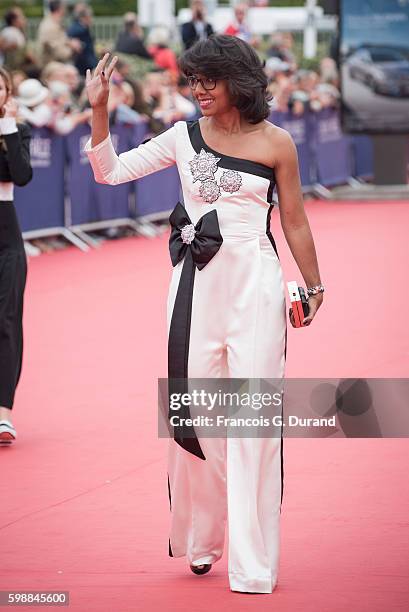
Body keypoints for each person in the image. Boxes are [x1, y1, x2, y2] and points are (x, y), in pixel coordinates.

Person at [83, 35, 324, 594]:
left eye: (208, 80)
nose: (199, 91)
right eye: (193, 81)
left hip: (257, 288)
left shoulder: (277, 143)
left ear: (238, 82)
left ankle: (253, 561)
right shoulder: (183, 138)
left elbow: (295, 220)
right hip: (193, 288)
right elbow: (110, 171)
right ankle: (200, 539)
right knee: (192, 415)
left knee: (254, 421)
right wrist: (99, 110)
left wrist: (314, 284)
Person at [0, 66, 32, 444]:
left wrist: (8, 128)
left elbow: (21, 176)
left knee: (6, 320)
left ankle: (3, 413)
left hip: (7, 235)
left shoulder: (17, 130)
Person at [37, 0, 81, 67]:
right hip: (53, 67)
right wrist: (73, 49)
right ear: (60, 9)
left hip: (56, 64)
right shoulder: (50, 27)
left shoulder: (53, 23)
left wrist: (70, 43)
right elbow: (59, 52)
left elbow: (60, 41)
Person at [67, 2, 97, 76]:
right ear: (85, 17)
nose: (92, 19)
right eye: (91, 16)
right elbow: (86, 51)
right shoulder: (80, 30)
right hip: (83, 66)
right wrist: (94, 66)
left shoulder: (78, 27)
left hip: (83, 65)